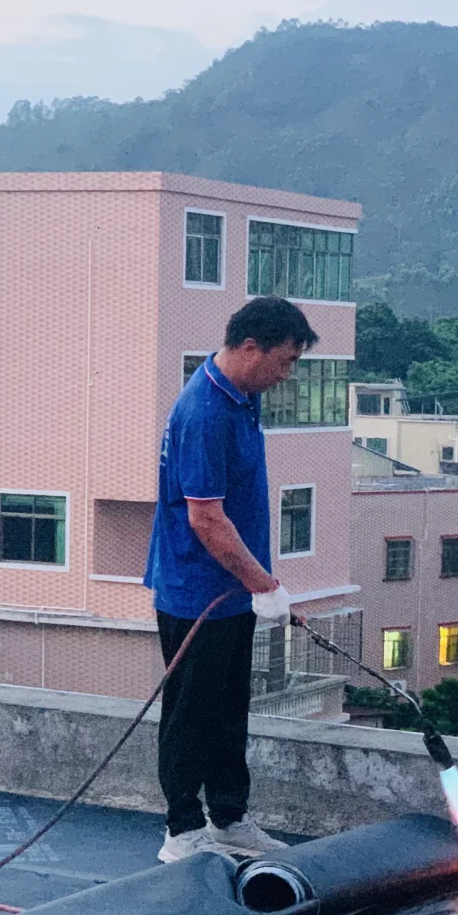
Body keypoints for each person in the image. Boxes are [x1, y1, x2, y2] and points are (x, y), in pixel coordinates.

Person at [144, 296, 319, 862]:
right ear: (250, 348)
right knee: (191, 709)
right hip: (197, 591)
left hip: (232, 591)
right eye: (285, 361)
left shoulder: (242, 399)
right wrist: (266, 588)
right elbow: (205, 517)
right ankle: (182, 831)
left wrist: (260, 586)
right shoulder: (205, 412)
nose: (287, 374)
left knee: (226, 708)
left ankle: (228, 817)